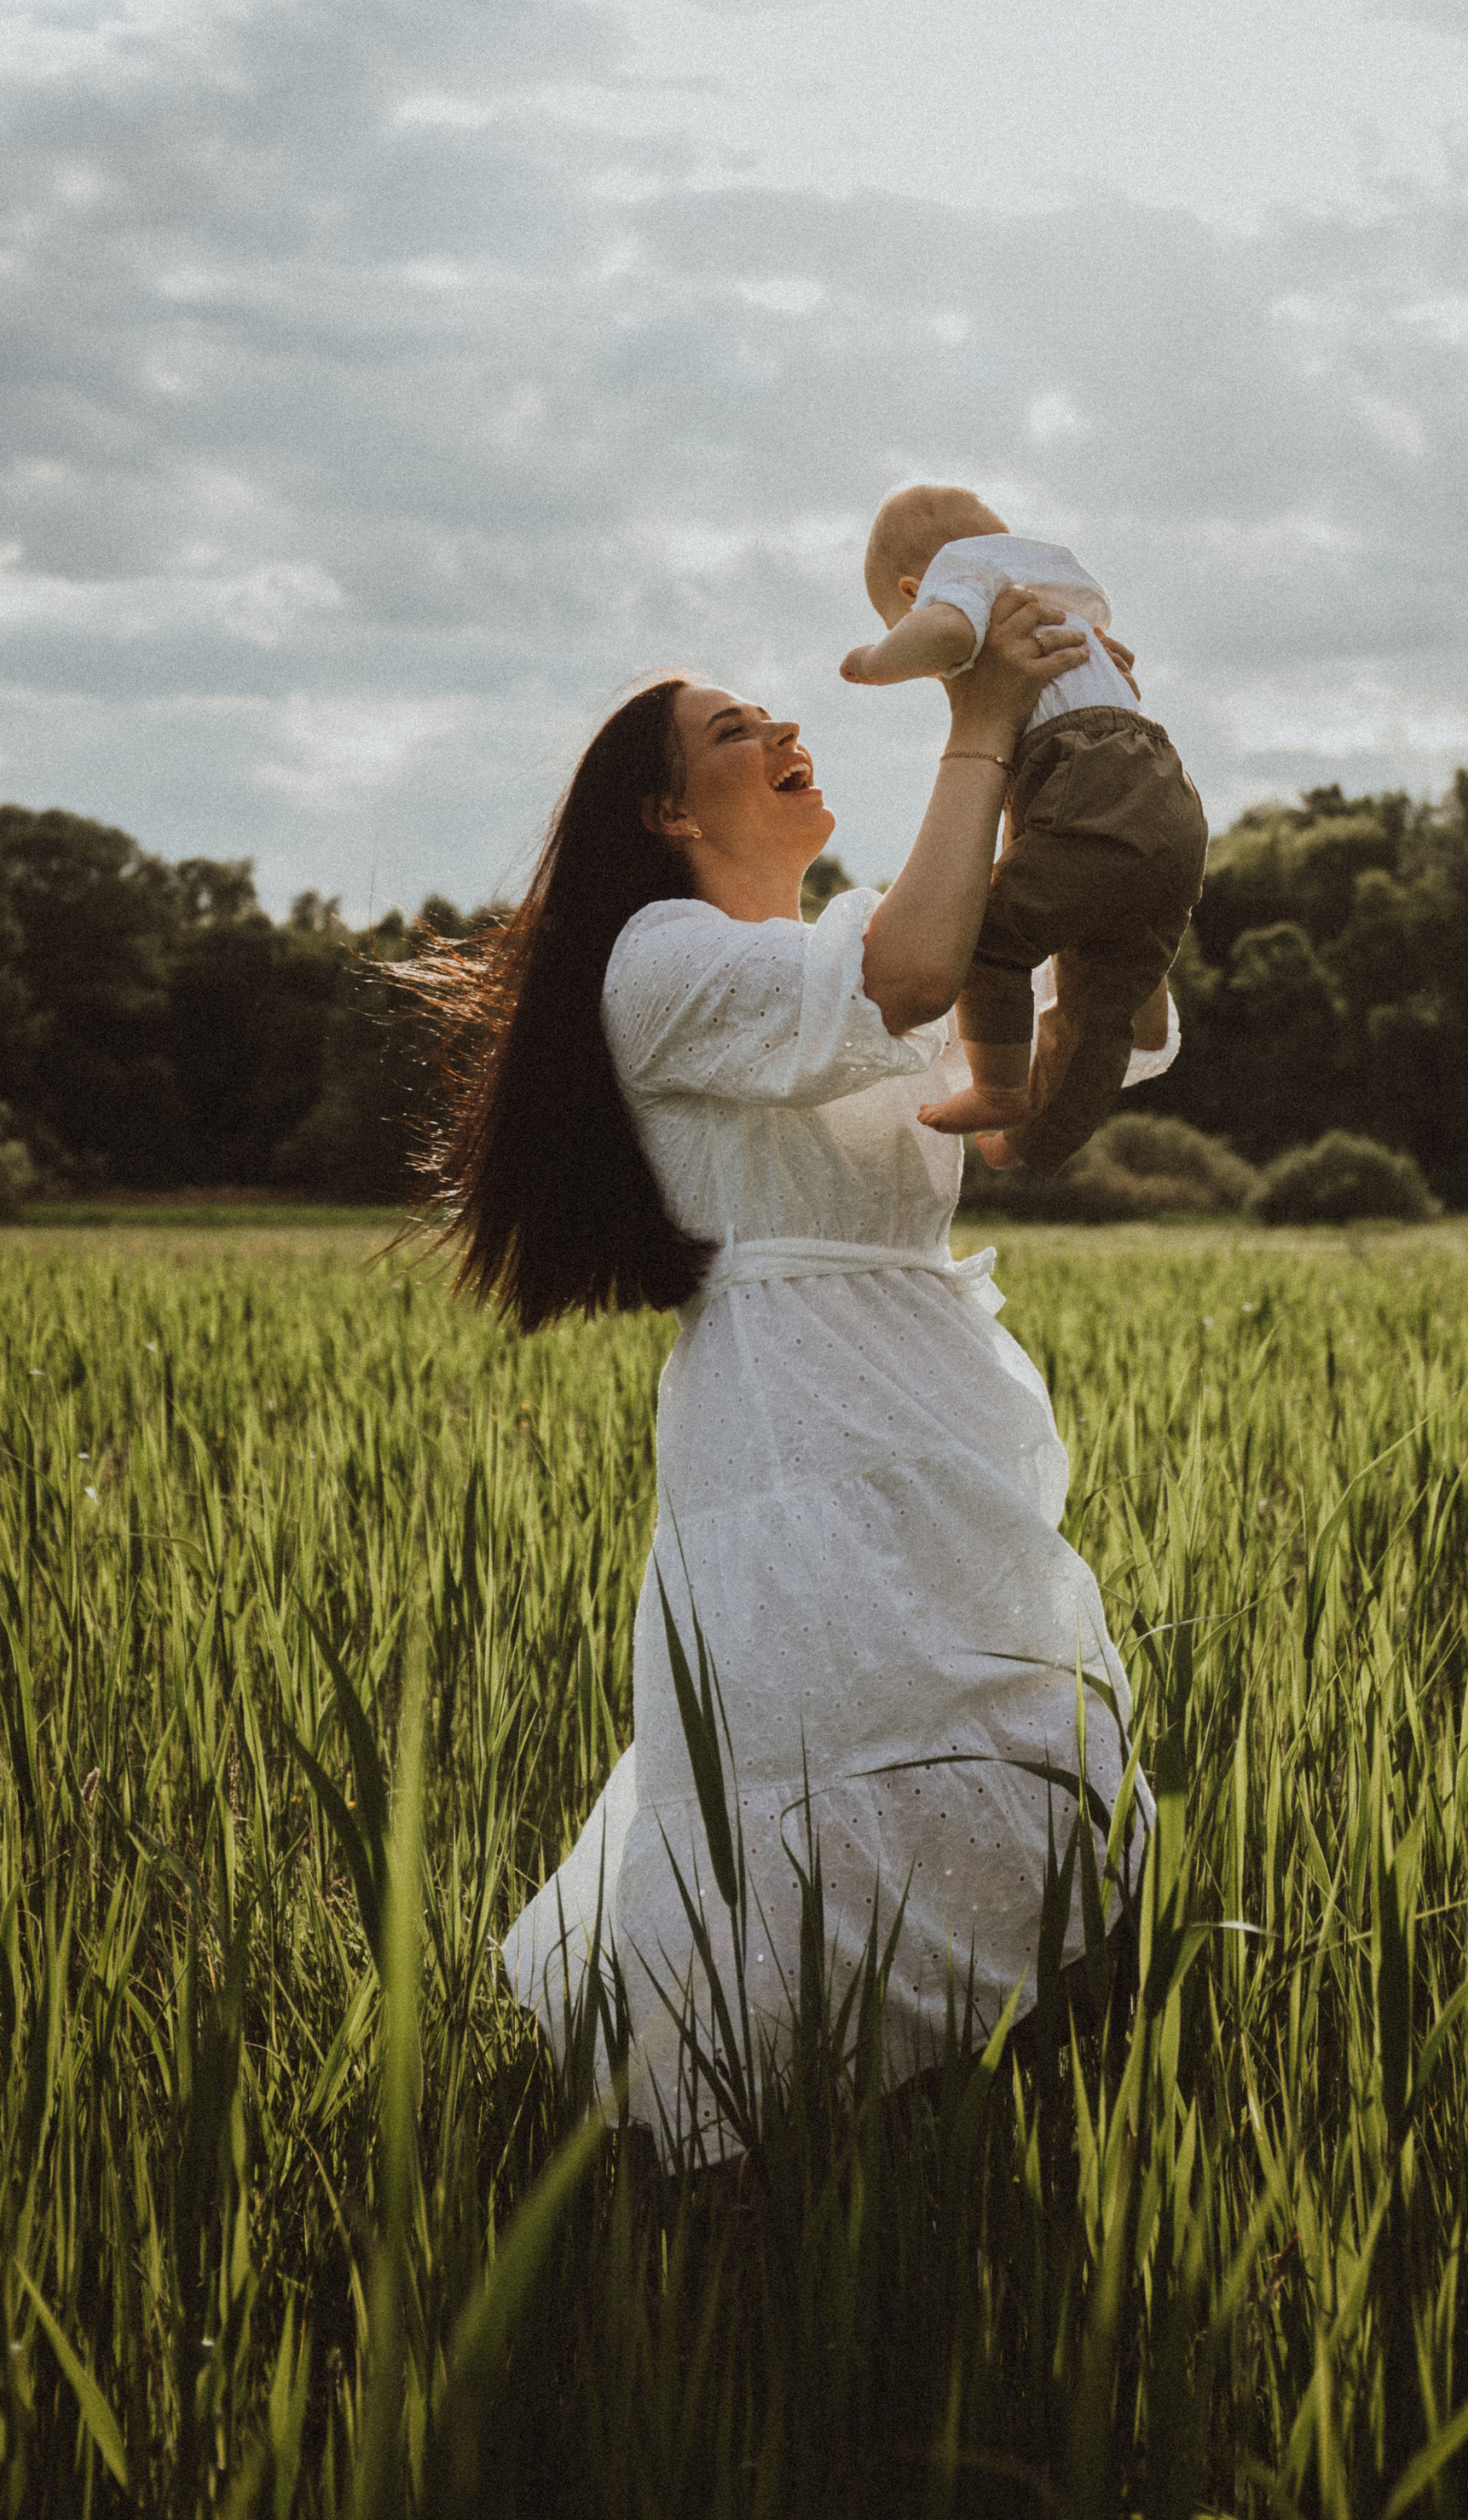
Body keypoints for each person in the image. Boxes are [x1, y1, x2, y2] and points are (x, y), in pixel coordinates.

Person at [428, 592, 1175, 2163]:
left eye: (773, 713)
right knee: (848, 1740)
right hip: (795, 1408)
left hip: (928, 1386)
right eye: (733, 729)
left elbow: (1044, 1047)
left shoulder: (810, 954)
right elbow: (912, 971)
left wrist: (1090, 764)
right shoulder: (665, 960)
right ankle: (795, 2140)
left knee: (1015, 1727)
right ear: (663, 808)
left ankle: (971, 2102)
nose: (781, 731)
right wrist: (977, 721)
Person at [841, 482, 1208, 1174]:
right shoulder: (1054, 588)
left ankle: (1001, 1091)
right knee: (1097, 1005)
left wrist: (877, 660)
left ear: (915, 588)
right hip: (1169, 791)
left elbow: (945, 630)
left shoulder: (967, 578)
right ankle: (1046, 1131)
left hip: (1087, 775)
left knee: (983, 937)